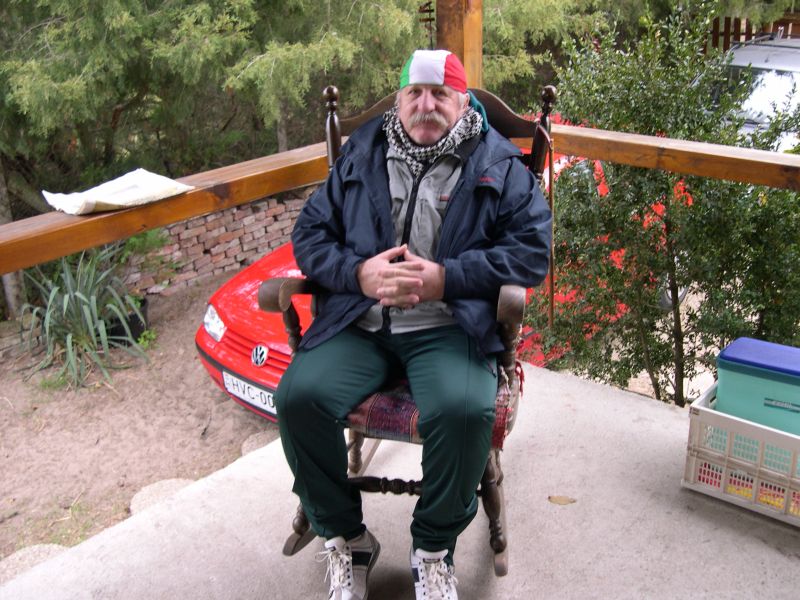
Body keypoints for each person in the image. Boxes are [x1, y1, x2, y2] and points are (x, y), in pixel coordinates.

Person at [274, 49, 552, 600]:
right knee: (298, 398)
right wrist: (358, 274)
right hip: (360, 321)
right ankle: (347, 538)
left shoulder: (497, 164)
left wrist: (447, 279)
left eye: (440, 94)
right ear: (399, 101)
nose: (426, 105)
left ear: (462, 102)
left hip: (447, 324)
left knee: (464, 411)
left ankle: (432, 549)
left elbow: (531, 253)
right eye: (414, 93)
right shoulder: (360, 154)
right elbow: (309, 235)